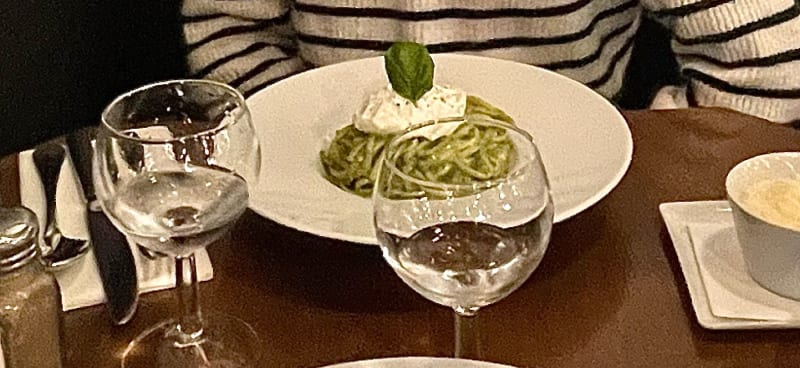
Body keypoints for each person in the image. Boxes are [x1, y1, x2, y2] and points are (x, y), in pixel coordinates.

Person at [181, 0, 800, 124]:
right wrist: (308, 141)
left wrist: (636, 148)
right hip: (329, 237)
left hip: (568, 225)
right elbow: (228, 29)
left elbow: (768, 69)